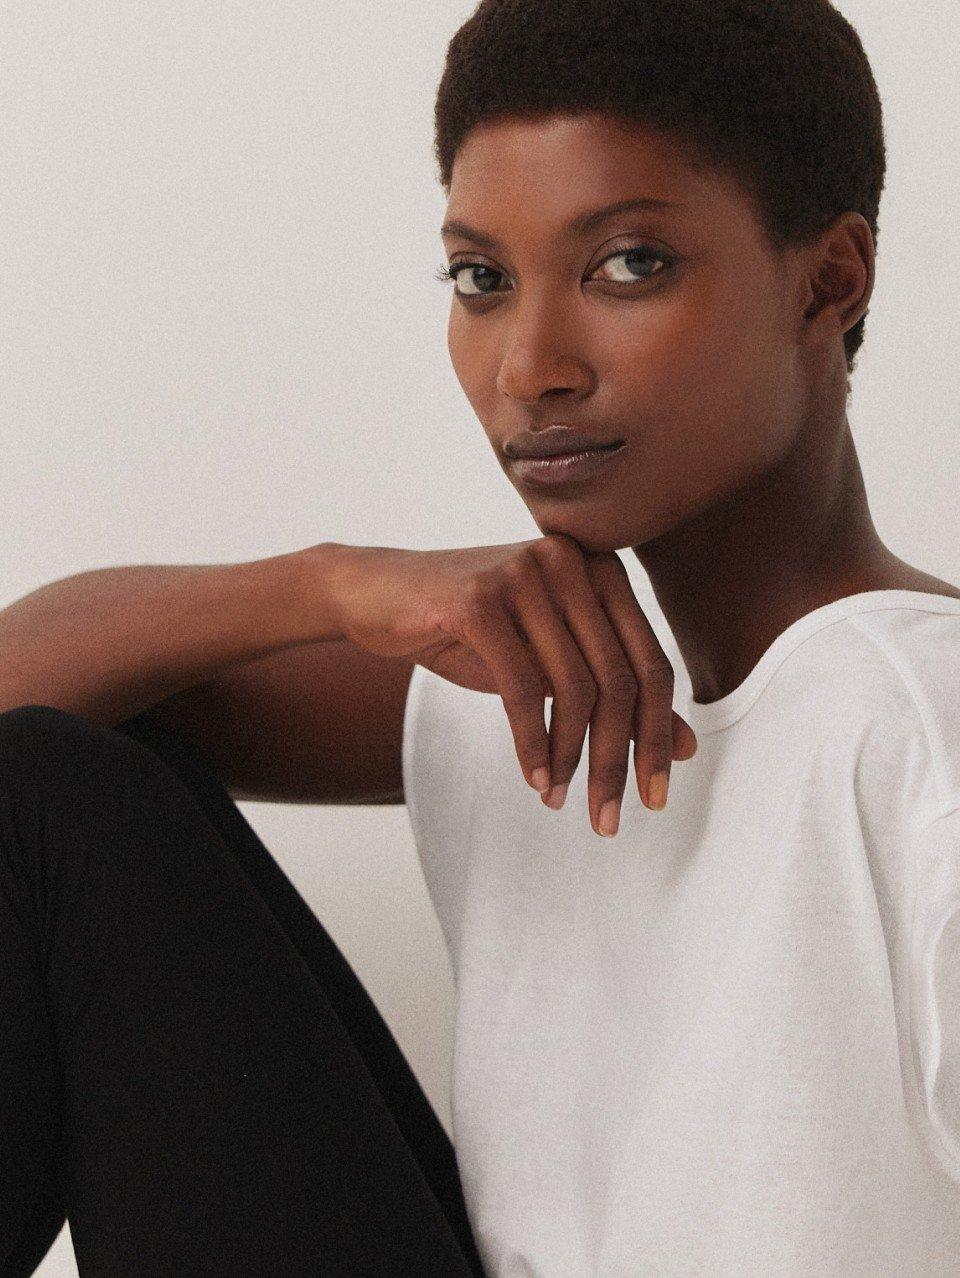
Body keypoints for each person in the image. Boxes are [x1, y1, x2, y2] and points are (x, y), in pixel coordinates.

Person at [1, 0, 958, 1275]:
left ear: (829, 282)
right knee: (43, 789)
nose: (530, 366)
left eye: (628, 265)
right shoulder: (514, 682)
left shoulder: (912, 720)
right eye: (482, 279)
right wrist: (329, 585)